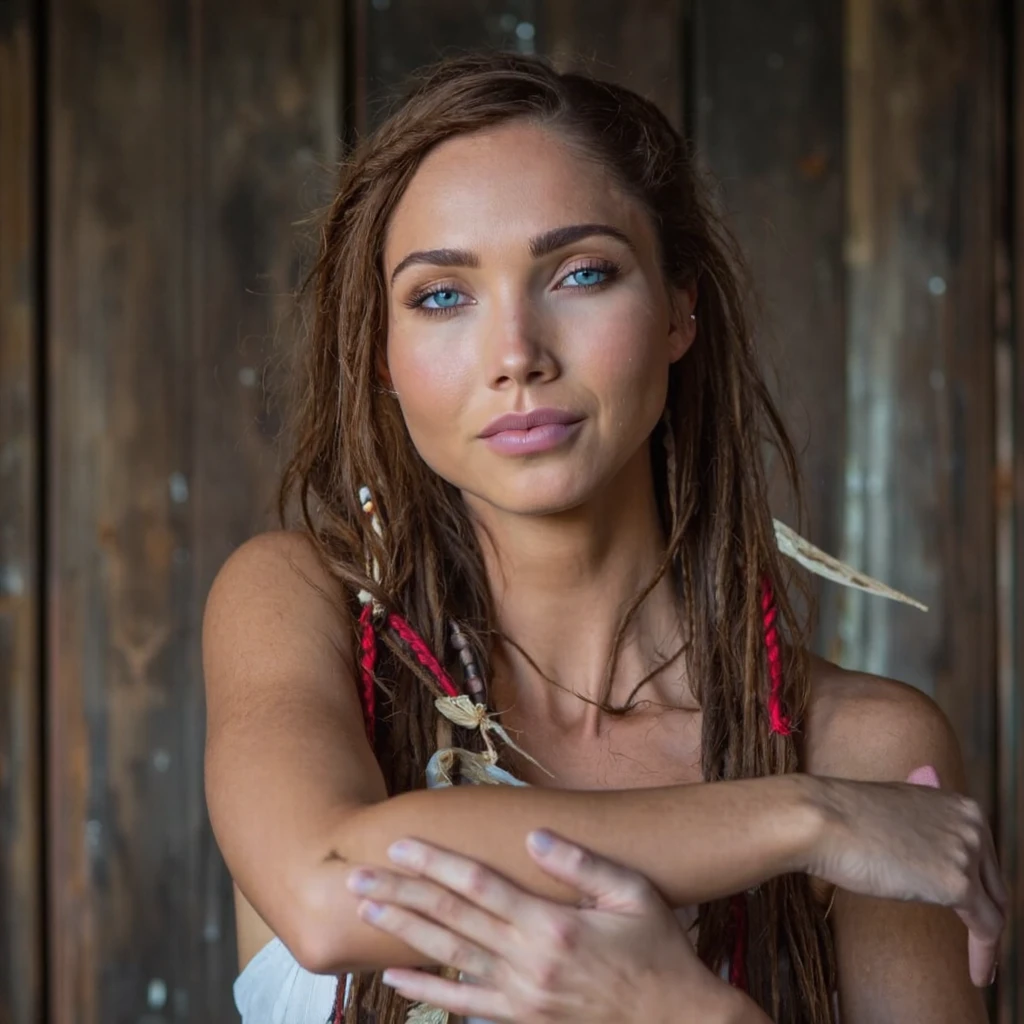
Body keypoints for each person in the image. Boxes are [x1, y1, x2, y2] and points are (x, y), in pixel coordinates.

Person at [203, 52, 1005, 1024]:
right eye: (442, 295)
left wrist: (699, 1017)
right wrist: (809, 816)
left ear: (678, 308)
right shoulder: (301, 610)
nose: (515, 357)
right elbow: (334, 890)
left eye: (581, 273)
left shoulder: (869, 748)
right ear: (382, 353)